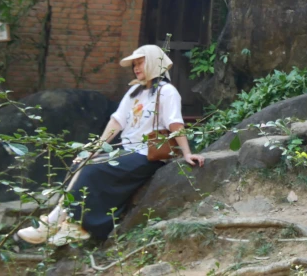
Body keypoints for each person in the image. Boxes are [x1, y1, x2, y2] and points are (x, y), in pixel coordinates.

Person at [17, 45, 205, 245]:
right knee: (80, 163)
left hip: (147, 155)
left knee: (91, 170)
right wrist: (94, 149)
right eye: (134, 64)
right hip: (127, 152)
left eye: (140, 62)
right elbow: (116, 122)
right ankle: (61, 222)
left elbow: (175, 123)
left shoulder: (167, 91)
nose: (136, 68)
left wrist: (186, 153)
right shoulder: (135, 91)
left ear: (153, 62)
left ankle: (73, 225)